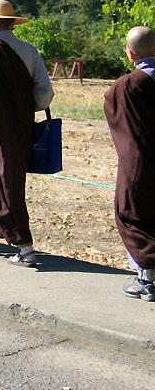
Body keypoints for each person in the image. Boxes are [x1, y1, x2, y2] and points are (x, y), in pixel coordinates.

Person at [0, 0, 53, 267]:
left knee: (6, 184)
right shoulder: (29, 51)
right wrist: (23, 110)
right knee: (1, 180)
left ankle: (25, 246)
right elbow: (45, 93)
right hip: (21, 127)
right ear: (13, 23)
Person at [104, 26, 155, 302]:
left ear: (130, 53)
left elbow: (114, 111)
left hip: (139, 162)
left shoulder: (128, 85)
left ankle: (147, 280)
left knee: (134, 215)